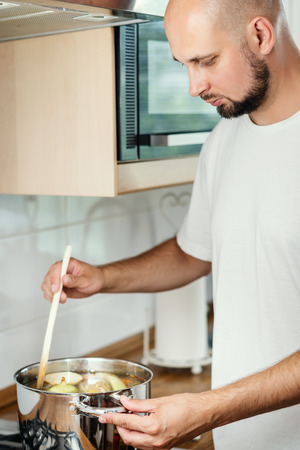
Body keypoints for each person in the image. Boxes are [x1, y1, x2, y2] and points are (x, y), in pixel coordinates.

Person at [42, 0, 300, 448]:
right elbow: (192, 252)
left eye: (206, 61)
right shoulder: (224, 139)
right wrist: (104, 277)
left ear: (261, 35)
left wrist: (208, 407)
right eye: (182, 64)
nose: (193, 86)